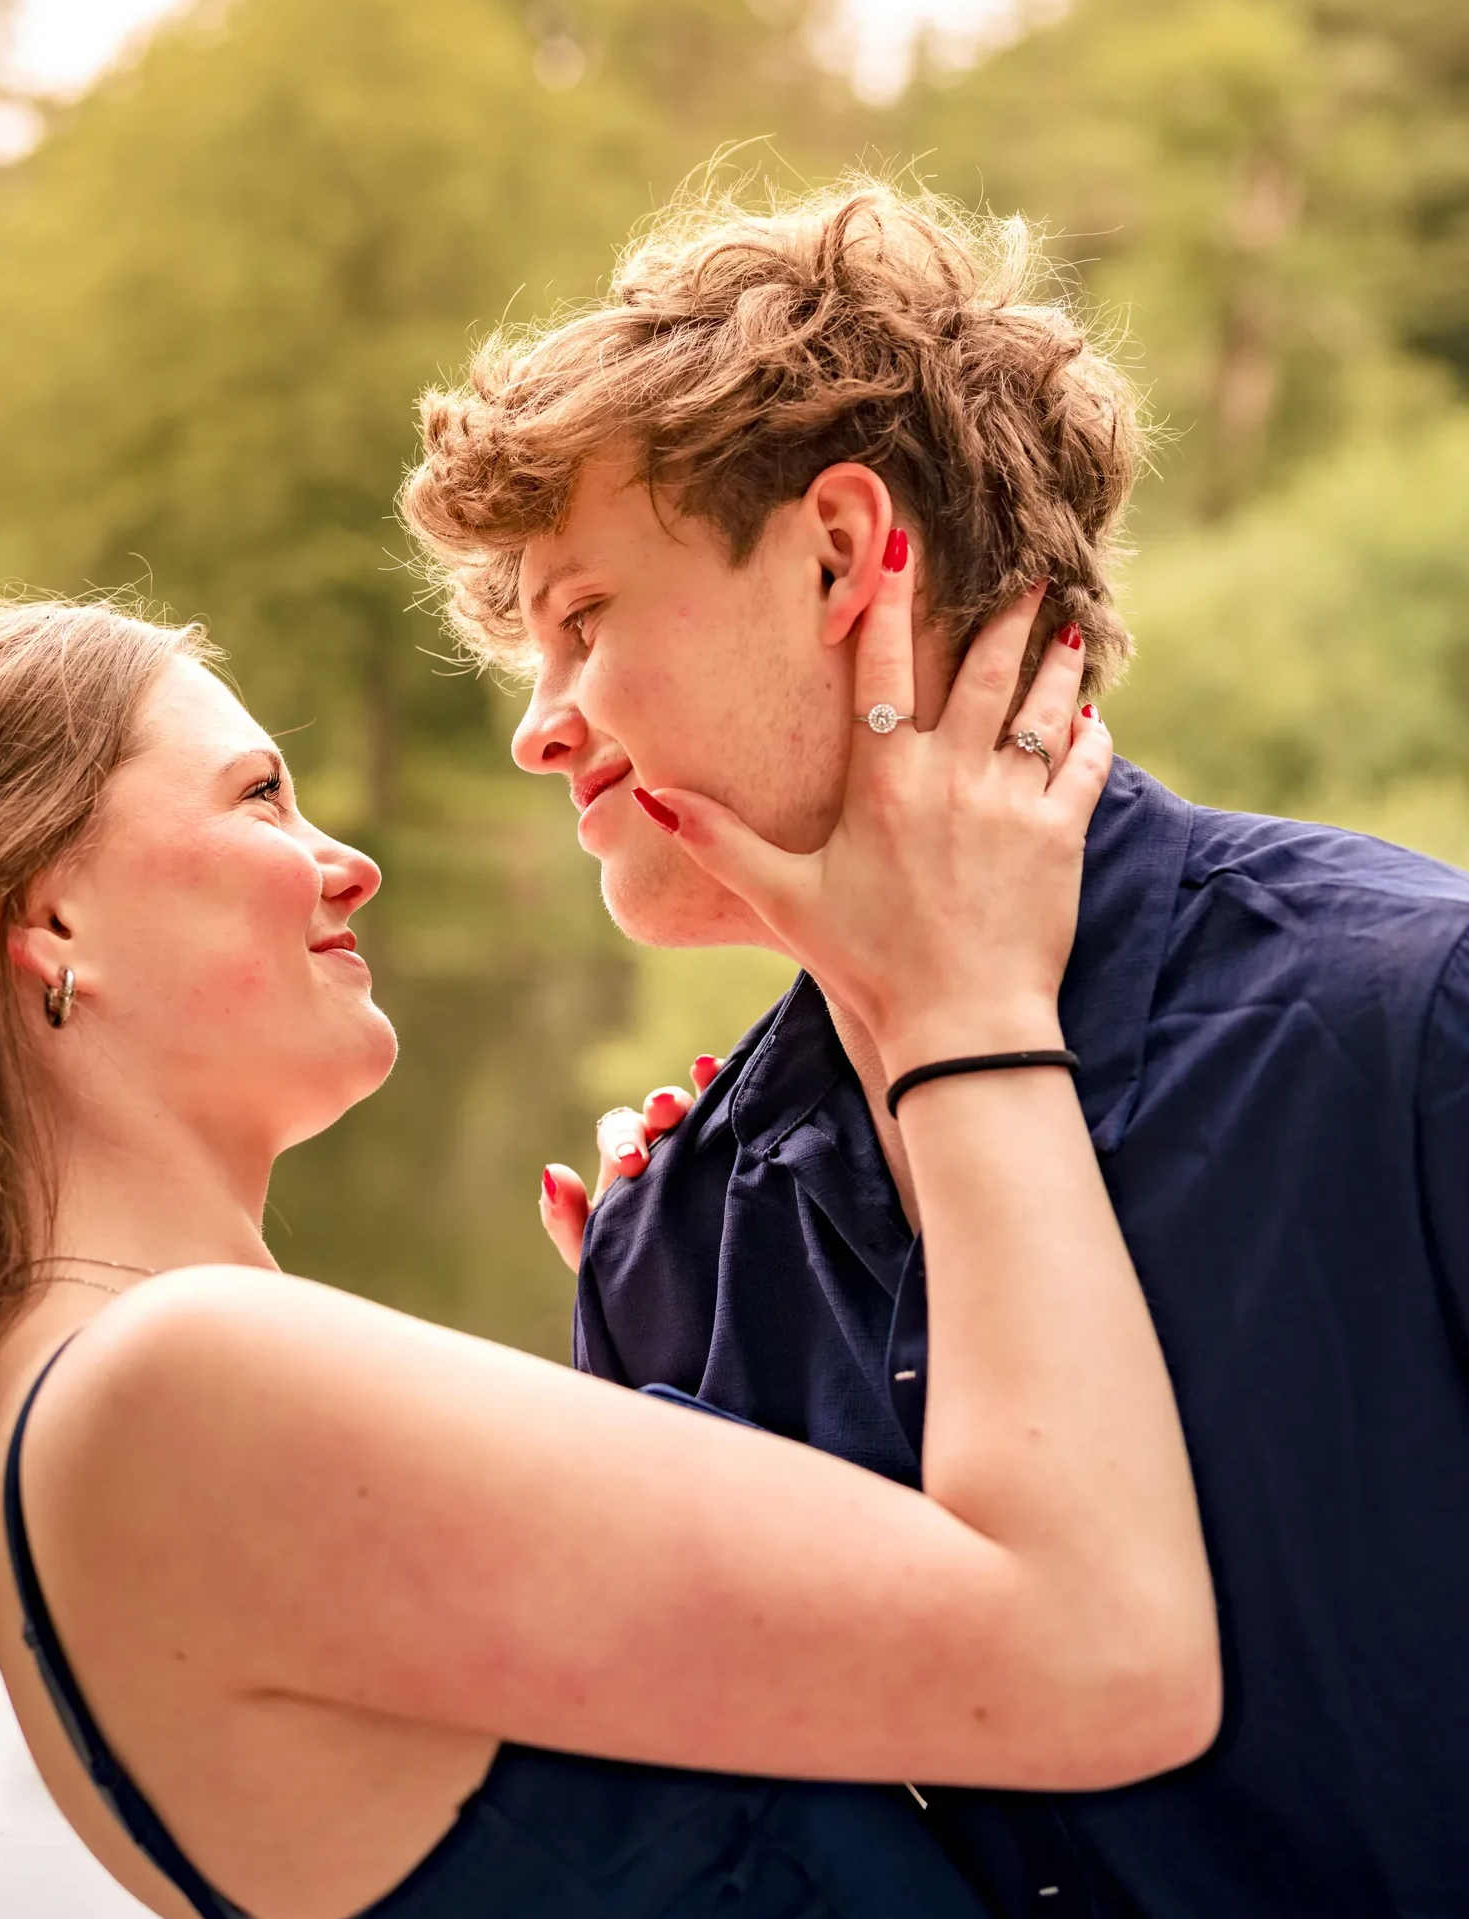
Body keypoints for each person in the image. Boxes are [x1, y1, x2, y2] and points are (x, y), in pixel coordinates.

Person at [0, 593, 1215, 1919]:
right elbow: (1105, 1656)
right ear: (43, 921)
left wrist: (700, 1350)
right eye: (259, 794)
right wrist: (961, 1009)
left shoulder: (78, 1409)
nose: (347, 857)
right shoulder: (169, 1386)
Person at [402, 178, 1469, 1918]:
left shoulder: (1415, 1024)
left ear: (840, 552)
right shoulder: (671, 1239)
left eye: (580, 618)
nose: (535, 726)